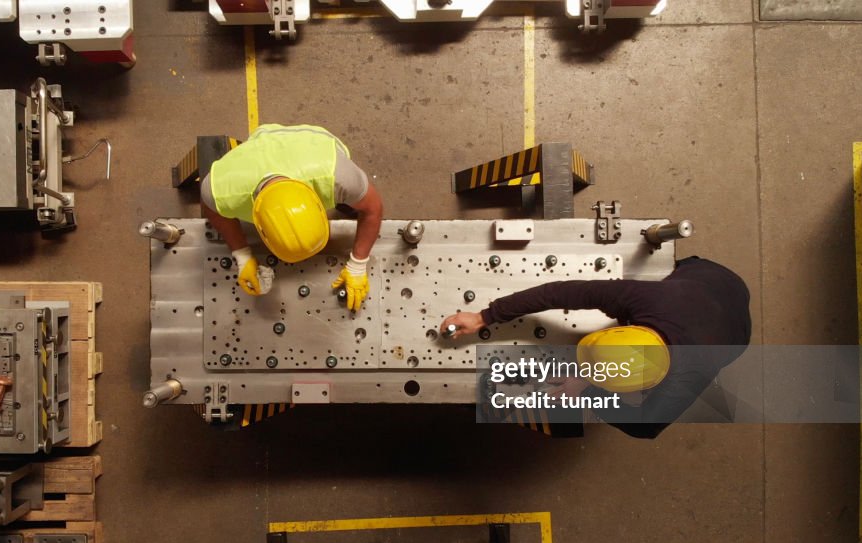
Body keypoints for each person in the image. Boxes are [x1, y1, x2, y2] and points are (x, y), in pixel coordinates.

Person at [440, 257, 751, 438]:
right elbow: (560, 293)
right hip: (715, 277)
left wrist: (586, 391)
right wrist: (484, 316)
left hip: (736, 336)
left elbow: (647, 427)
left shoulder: (691, 374)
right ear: (627, 328)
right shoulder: (645, 297)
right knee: (681, 266)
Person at [200, 124, 384, 312]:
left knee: (354, 203)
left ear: (320, 206)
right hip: (260, 144)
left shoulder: (338, 177)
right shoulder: (220, 191)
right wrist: (242, 255)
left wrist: (358, 265)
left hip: (315, 141)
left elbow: (373, 209)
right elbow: (214, 212)